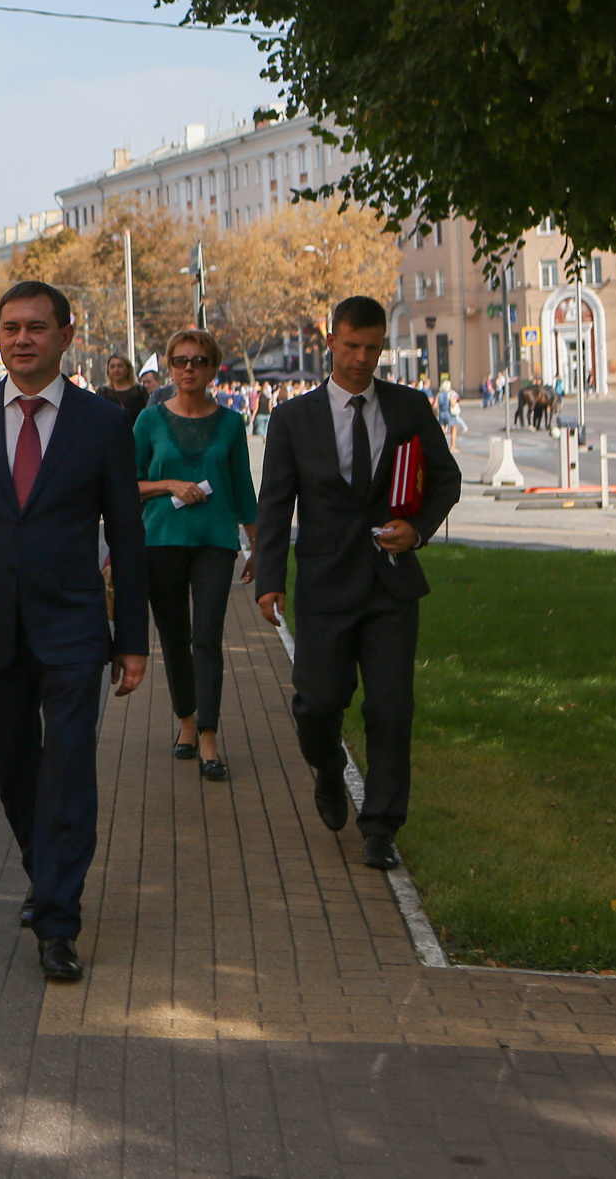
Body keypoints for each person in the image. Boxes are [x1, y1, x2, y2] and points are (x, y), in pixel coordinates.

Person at [0, 280, 149, 983]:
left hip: (74, 627)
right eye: (11, 326)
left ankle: (58, 918)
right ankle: (44, 870)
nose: (22, 338)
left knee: (70, 768)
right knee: (15, 767)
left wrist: (131, 637)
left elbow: (128, 538)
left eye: (37, 327)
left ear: (66, 336)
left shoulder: (102, 423)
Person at [254, 296, 463, 873]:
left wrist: (417, 530)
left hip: (391, 587)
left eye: (372, 348)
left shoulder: (409, 407)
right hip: (324, 584)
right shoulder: (295, 419)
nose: (361, 359)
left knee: (391, 710)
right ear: (331, 342)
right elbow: (275, 506)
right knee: (316, 705)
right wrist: (269, 580)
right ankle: (327, 768)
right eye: (351, 346)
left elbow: (446, 479)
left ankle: (381, 827)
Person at [133, 328, 257, 784]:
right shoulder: (148, 421)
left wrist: (257, 546)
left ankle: (208, 736)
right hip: (161, 541)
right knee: (173, 639)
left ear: (212, 369)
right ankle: (185, 719)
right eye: (180, 360)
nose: (189, 368)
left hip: (215, 543)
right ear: (168, 367)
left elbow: (243, 486)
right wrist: (168, 486)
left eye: (199, 361)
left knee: (206, 637)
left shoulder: (229, 422)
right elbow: (128, 483)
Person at [101, 356, 149, 428]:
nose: (116, 370)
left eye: (120, 366)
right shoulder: (103, 393)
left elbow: (147, 417)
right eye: (112, 367)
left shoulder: (140, 391)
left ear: (128, 369)